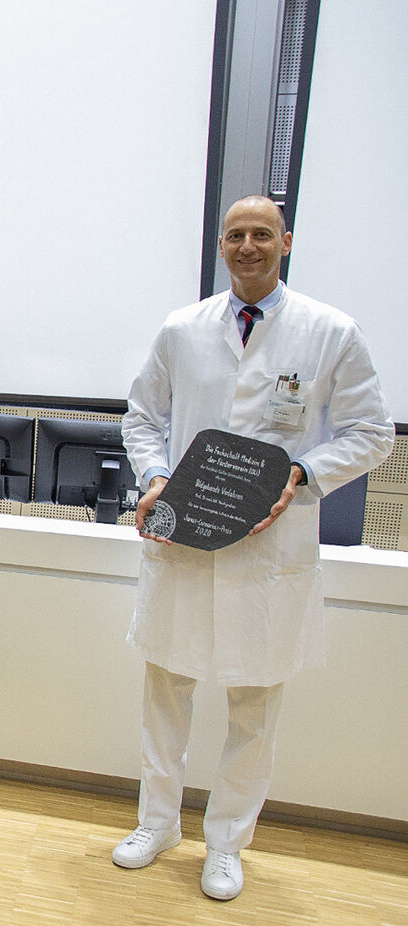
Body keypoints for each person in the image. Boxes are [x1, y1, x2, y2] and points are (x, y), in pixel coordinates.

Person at [115, 195, 393, 899]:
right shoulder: (181, 329)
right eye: (235, 235)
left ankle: (227, 842)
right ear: (220, 245)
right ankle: (157, 823)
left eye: (260, 234)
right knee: (164, 694)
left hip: (270, 552)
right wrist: (152, 475)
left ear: (285, 242)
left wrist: (301, 474)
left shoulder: (330, 331)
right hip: (183, 540)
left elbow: (371, 433)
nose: (247, 245)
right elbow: (142, 418)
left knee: (253, 705)